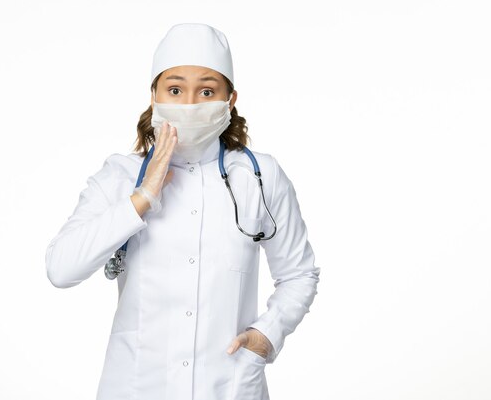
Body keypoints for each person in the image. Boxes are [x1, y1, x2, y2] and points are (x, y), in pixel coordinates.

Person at [45, 22, 321, 400]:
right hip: (137, 386)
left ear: (230, 99)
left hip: (229, 386)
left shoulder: (259, 176)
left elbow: (299, 273)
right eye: (175, 89)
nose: (190, 104)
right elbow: (61, 269)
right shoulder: (120, 176)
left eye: (207, 90)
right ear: (155, 95)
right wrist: (142, 197)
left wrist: (266, 335)